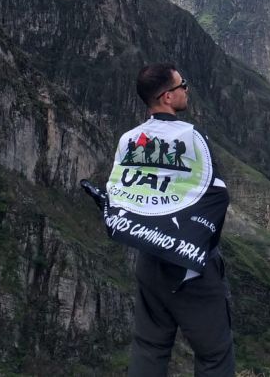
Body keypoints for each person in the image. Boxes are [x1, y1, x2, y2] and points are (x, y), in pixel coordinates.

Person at [116, 63, 234, 377]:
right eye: (183, 85)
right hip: (190, 265)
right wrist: (201, 245)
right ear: (168, 96)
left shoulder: (128, 140)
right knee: (214, 355)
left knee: (149, 346)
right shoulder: (192, 138)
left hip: (149, 258)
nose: (187, 90)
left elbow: (122, 194)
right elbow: (218, 195)